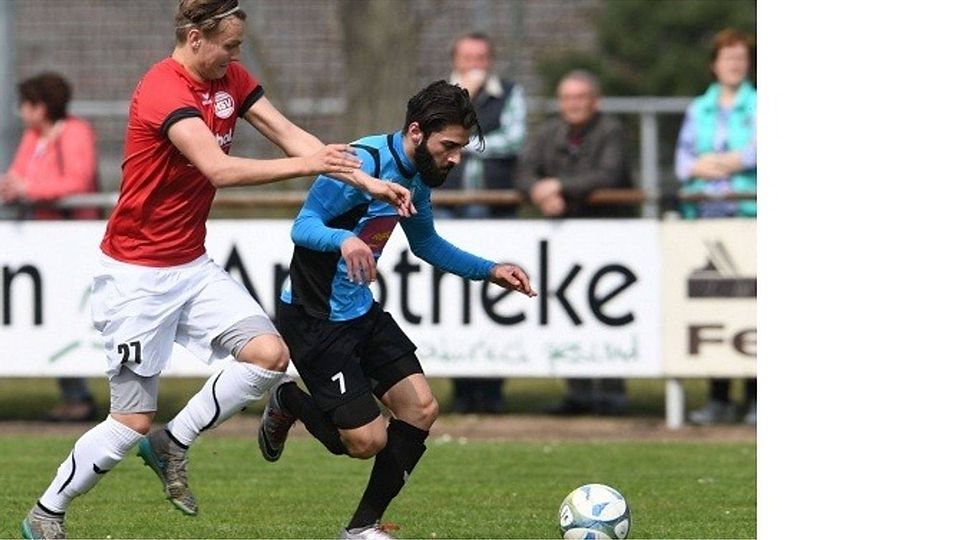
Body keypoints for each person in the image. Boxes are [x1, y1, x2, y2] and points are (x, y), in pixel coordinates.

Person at [20, 1, 414, 538]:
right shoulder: (163, 89)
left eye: (238, 46)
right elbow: (218, 168)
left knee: (270, 354)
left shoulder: (231, 78)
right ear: (196, 37)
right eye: (228, 45)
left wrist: (365, 182)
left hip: (192, 265)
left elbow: (293, 136)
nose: (235, 55)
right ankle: (47, 511)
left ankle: (173, 443)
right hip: (137, 276)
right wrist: (310, 164)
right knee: (127, 422)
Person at [256, 80, 537, 539]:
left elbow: (425, 243)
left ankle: (362, 528)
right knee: (366, 441)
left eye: (460, 148)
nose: (455, 158)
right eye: (449, 146)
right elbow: (303, 226)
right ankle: (288, 400)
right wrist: (344, 239)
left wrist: (490, 270)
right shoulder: (360, 162)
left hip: (360, 313)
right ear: (415, 132)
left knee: (422, 408)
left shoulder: (417, 177)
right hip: (314, 320)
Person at [518, 69, 634, 416]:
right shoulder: (549, 131)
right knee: (570, 312)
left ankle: (613, 393)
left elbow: (609, 175)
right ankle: (578, 392)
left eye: (581, 97)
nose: (574, 104)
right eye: (568, 98)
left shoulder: (611, 130)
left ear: (594, 101)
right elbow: (525, 170)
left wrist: (559, 187)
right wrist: (539, 192)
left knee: (610, 312)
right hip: (566, 239)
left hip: (610, 240)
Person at [0, 72, 100, 423]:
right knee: (51, 316)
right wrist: (13, 187)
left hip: (71, 239)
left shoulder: (76, 133)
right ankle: (73, 394)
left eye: (26, 105)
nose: (21, 112)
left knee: (69, 315)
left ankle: (80, 396)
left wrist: (29, 188)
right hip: (41, 241)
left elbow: (78, 179)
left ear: (41, 106)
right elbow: (19, 176)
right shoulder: (34, 137)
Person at [440, 31, 527, 414]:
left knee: (495, 297)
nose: (474, 62)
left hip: (495, 210)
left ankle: (492, 390)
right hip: (446, 204)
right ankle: (461, 388)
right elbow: (430, 138)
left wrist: (461, 144)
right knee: (452, 299)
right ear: (456, 58)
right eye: (467, 55)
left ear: (490, 58)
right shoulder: (441, 96)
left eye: (481, 55)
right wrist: (466, 99)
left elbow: (514, 138)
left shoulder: (510, 92)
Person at [674, 28, 757, 426]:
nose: (735, 65)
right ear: (715, 64)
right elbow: (683, 163)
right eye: (728, 58)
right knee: (712, 308)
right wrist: (733, 159)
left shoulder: (759, 105)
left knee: (753, 311)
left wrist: (715, 162)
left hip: (750, 218)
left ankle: (757, 399)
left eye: (741, 58)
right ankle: (719, 398)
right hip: (706, 219)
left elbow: (758, 152)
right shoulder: (699, 109)